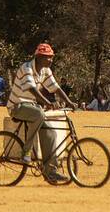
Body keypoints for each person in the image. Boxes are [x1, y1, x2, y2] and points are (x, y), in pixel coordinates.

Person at [6, 42, 74, 183]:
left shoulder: (45, 71)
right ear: (38, 57)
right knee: (39, 114)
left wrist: (69, 102)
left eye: (51, 57)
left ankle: (50, 171)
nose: (50, 60)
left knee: (51, 132)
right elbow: (32, 89)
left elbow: (55, 88)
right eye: (47, 57)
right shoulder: (26, 68)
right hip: (17, 106)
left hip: (32, 106)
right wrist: (46, 103)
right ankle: (26, 152)